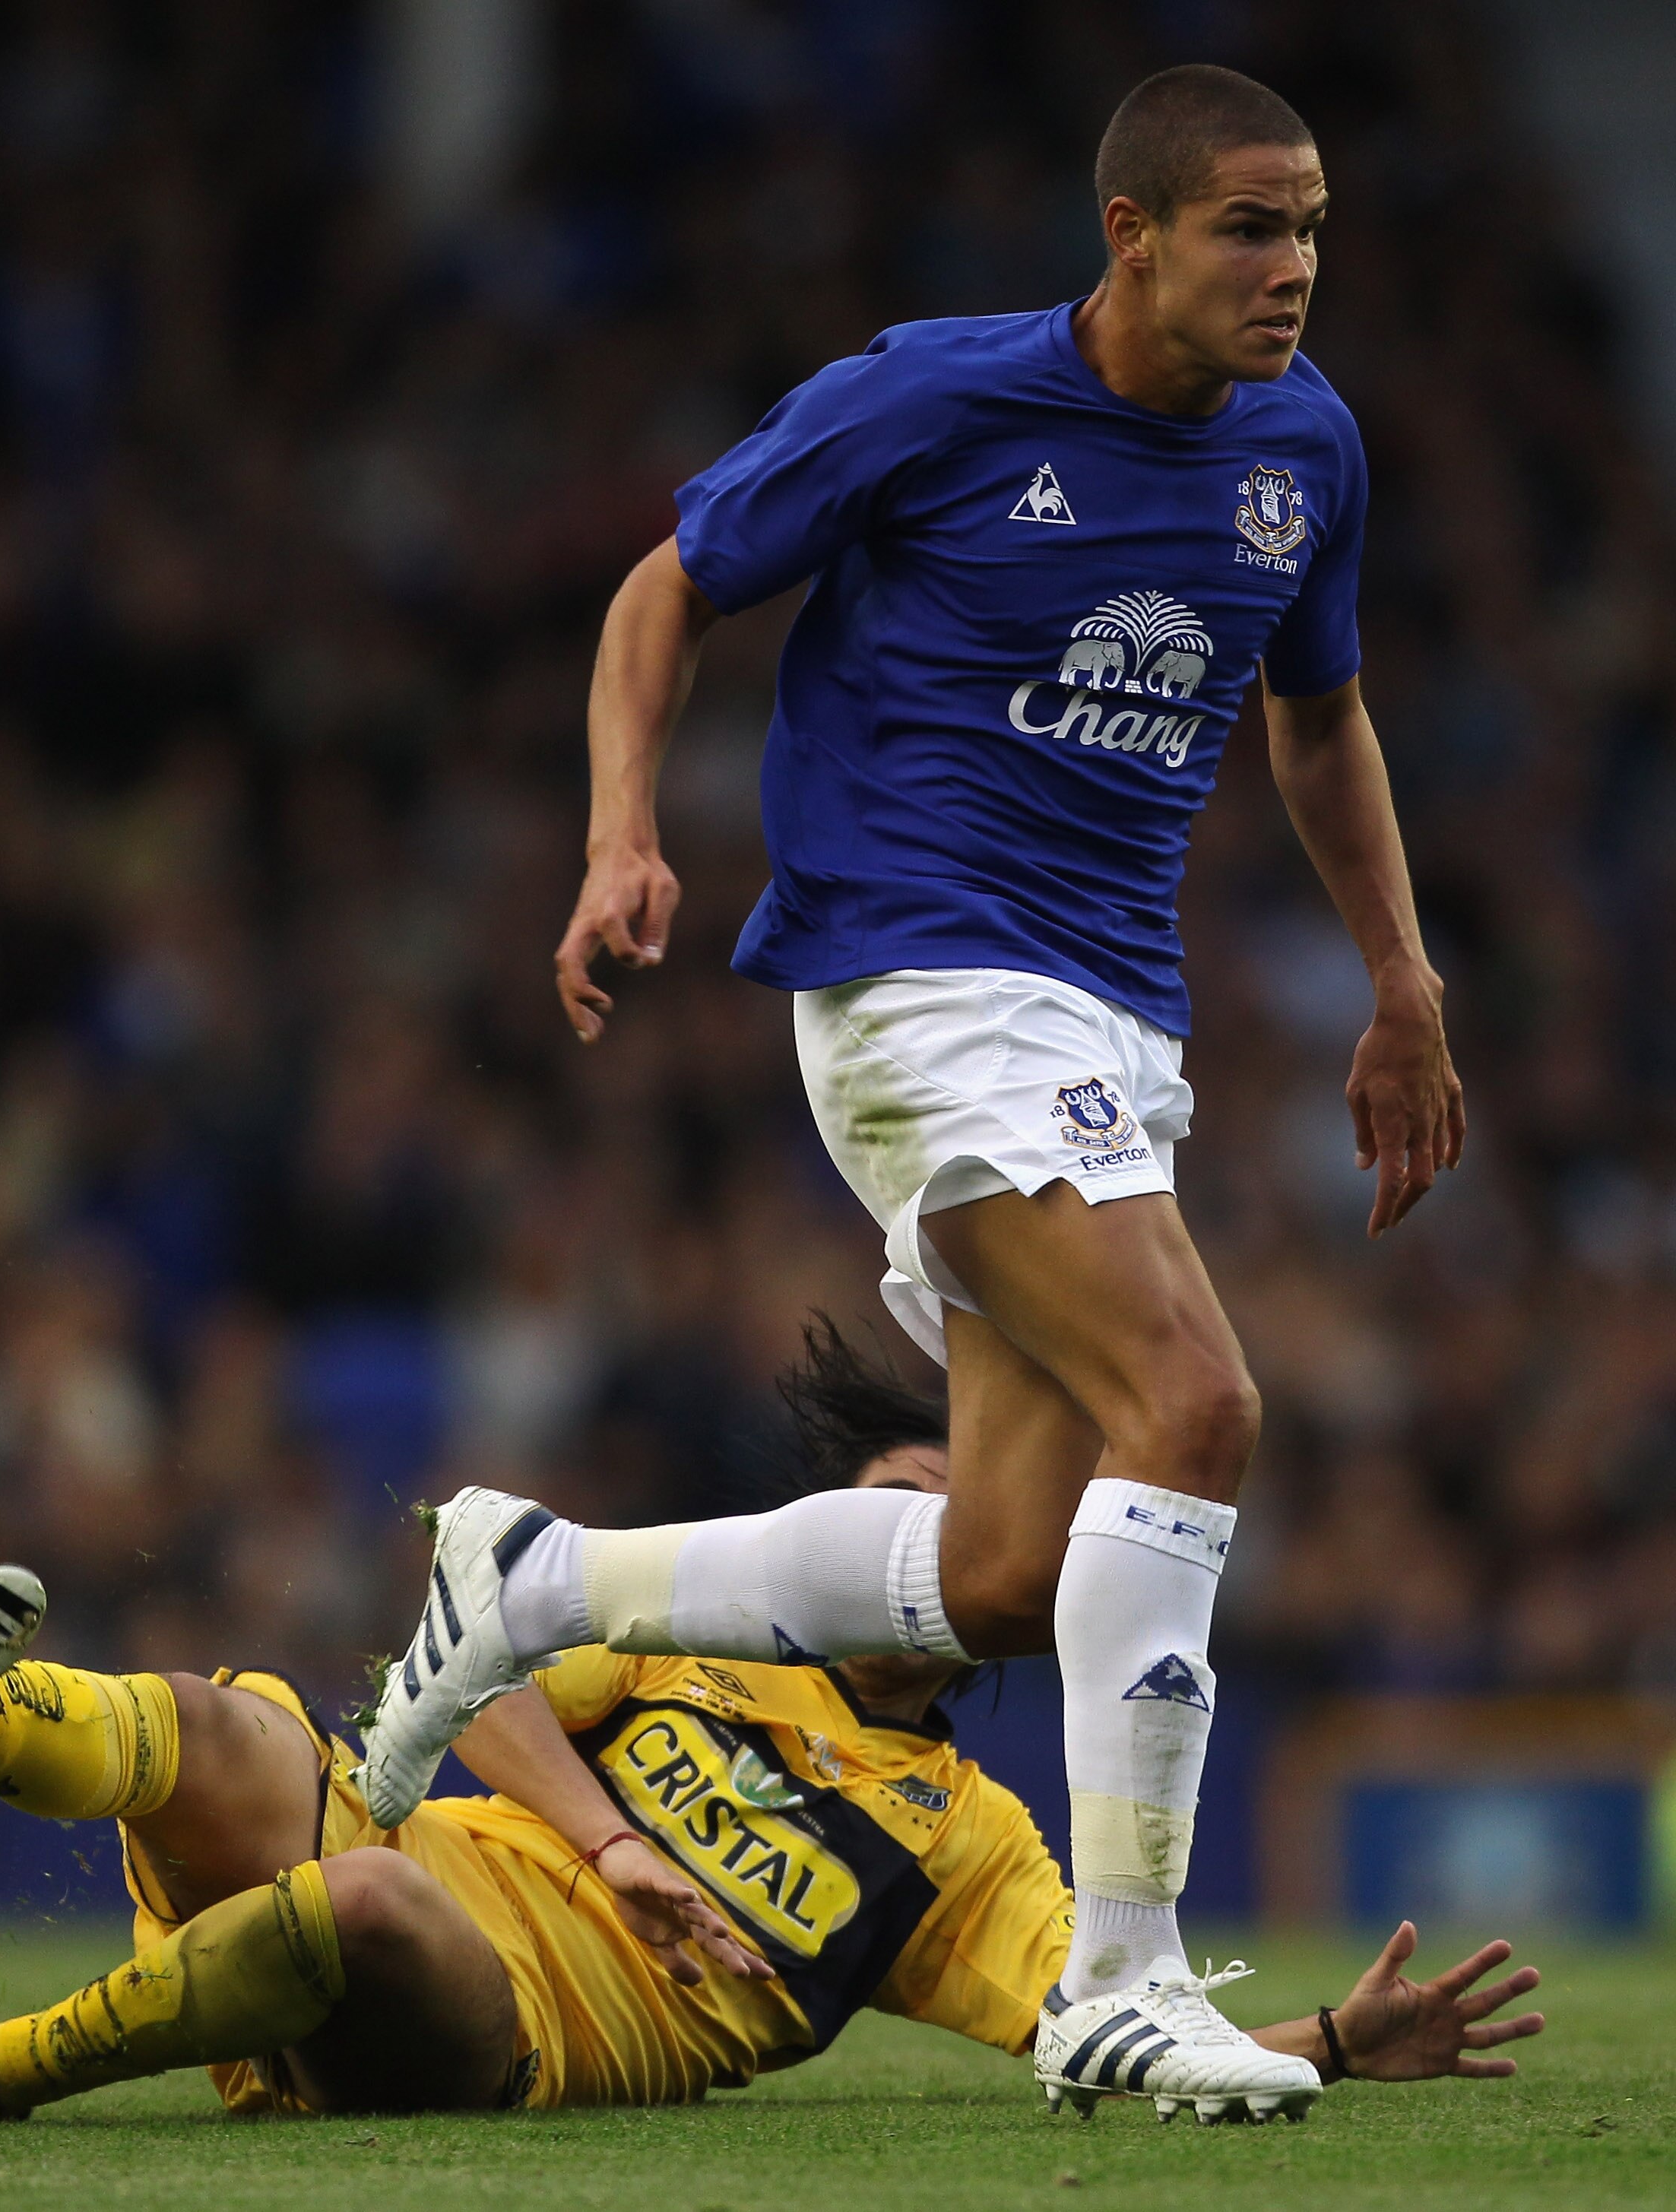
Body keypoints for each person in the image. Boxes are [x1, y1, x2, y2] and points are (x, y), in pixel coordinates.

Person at [351, 62, 1460, 2122]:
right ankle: (1129, 1974)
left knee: (1008, 1574)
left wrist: (1400, 976)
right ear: (1129, 236)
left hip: (1120, 1015)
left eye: (1310, 227)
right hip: (925, 973)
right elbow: (662, 586)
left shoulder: (1306, 450)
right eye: (1246, 226)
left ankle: (541, 1582)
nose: (1291, 268)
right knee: (1199, 1403)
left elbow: (1321, 722)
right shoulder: (933, 398)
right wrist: (617, 837)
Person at [0, 1326, 1542, 2126]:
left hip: (505, 2017)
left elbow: (1100, 2017)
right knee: (238, 1724)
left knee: (363, 1915)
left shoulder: (963, 1833)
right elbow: (488, 1679)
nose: (930, 1549)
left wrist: (1318, 2037)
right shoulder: (702, 1639)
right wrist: (606, 1832)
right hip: (407, 1852)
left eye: (955, 1526)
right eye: (897, 1515)